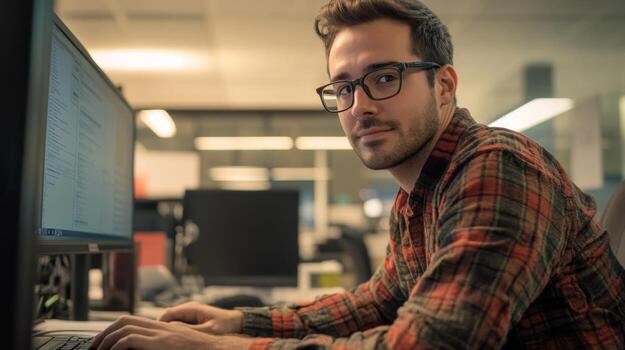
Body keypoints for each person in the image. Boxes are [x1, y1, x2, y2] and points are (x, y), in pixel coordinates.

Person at [91, 0, 625, 349]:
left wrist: (224, 348)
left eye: (384, 77)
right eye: (343, 87)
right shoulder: (417, 195)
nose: (359, 105)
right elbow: (376, 302)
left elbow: (434, 343)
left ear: (444, 86)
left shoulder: (497, 166)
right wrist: (237, 322)